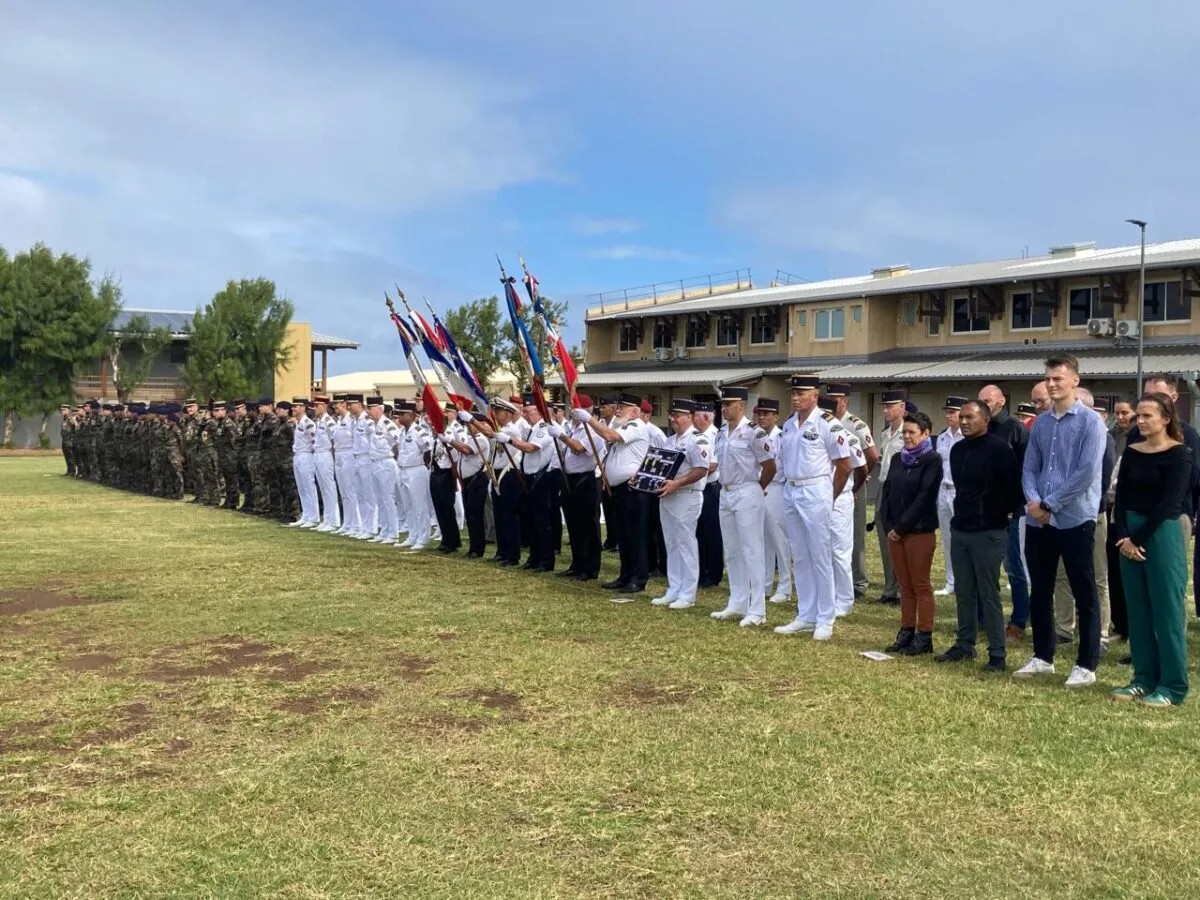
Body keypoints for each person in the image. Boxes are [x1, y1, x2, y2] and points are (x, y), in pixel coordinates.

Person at [1015, 355, 1107, 687]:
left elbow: (1086, 472)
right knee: (1040, 589)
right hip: (1040, 521)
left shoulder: (1091, 422)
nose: (1052, 384)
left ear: (1075, 381)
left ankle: (1086, 664)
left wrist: (1050, 504)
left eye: (1058, 378)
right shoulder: (1041, 423)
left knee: (1084, 591)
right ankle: (1043, 657)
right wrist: (1033, 502)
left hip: (1075, 518)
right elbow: (1030, 467)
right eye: (1048, 378)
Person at [1111, 392, 1193, 706]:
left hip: (1161, 533)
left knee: (1167, 611)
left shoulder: (1180, 454)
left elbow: (1170, 503)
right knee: (1138, 610)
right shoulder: (1132, 452)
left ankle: (1172, 685)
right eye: (1139, 416)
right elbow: (1121, 497)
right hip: (1129, 535)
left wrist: (1138, 539)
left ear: (1166, 419)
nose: (1141, 421)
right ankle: (1143, 679)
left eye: (1148, 416)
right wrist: (1123, 536)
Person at [934, 401, 1022, 671]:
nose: (964, 422)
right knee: (964, 591)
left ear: (985, 419)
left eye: (970, 417)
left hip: (988, 531)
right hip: (961, 528)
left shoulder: (1000, 449)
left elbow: (1013, 490)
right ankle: (964, 644)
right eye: (961, 417)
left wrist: (999, 515)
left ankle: (997, 653)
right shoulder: (958, 449)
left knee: (988, 593)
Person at [774, 375, 851, 640]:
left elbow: (844, 465)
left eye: (801, 393)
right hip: (792, 489)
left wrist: (830, 495)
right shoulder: (788, 424)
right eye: (793, 393)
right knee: (800, 555)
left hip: (816, 488)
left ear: (815, 396)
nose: (795, 398)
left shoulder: (827, 424)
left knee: (820, 555)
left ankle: (825, 617)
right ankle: (806, 614)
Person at [1124, 374, 1200, 617]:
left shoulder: (1188, 436)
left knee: (1168, 588)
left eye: (1159, 396)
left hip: (1172, 518)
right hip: (1136, 519)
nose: (1151, 401)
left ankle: (1170, 636)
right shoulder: (1135, 435)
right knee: (1141, 591)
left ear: (1174, 398)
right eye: (1147, 396)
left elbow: (1190, 482)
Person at [878, 410, 943, 655]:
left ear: (926, 434)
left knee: (920, 584)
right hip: (895, 532)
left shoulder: (932, 460)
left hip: (919, 531)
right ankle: (906, 631)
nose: (906, 436)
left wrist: (901, 526)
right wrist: (889, 526)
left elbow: (924, 497)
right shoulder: (898, 458)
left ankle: (924, 635)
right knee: (905, 585)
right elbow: (887, 492)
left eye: (912, 432)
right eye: (904, 432)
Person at [711, 387, 775, 627]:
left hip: (747, 489)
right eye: (723, 404)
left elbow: (770, 466)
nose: (724, 408)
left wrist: (758, 488)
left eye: (729, 404)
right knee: (732, 550)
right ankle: (738, 601)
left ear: (741, 405)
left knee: (752, 550)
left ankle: (757, 609)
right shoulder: (721, 432)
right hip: (726, 491)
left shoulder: (754, 433)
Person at [576, 394, 651, 592]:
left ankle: (638, 578)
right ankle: (625, 575)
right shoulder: (624, 427)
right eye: (618, 406)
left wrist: (589, 419)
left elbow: (609, 436)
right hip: (619, 488)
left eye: (623, 407)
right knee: (623, 534)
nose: (618, 410)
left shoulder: (636, 426)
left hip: (632, 489)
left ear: (634, 411)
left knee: (635, 534)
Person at [980, 384, 1031, 641]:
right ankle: (984, 618)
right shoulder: (979, 428)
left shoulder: (1015, 429)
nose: (984, 405)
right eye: (981, 401)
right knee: (984, 567)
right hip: (983, 509)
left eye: (988, 401)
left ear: (1001, 401)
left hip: (1010, 511)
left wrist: (1014, 505)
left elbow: (1025, 471)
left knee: (1013, 568)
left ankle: (1018, 621)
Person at [652, 399, 712, 611]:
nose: (672, 418)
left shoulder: (698, 440)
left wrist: (677, 483)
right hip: (667, 494)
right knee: (671, 542)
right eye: (671, 414)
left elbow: (701, 469)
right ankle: (674, 587)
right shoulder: (670, 440)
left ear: (690, 416)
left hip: (687, 495)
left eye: (677, 415)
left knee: (686, 543)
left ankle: (688, 593)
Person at [824, 383, 879, 601]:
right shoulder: (823, 422)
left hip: (852, 486)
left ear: (845, 401)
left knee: (854, 535)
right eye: (829, 399)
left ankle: (858, 581)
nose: (831, 403)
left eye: (835, 400)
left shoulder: (855, 425)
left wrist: (858, 482)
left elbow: (871, 456)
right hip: (830, 486)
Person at [818, 395, 867, 619]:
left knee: (839, 550)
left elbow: (861, 469)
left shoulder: (848, 437)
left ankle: (845, 599)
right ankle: (827, 595)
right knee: (822, 549)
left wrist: (852, 490)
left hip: (840, 498)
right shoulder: (815, 437)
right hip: (819, 496)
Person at [548, 394, 603, 580]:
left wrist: (561, 436)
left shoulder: (592, 430)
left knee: (588, 525)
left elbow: (580, 449)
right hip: (569, 478)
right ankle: (577, 564)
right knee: (573, 525)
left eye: (574, 408)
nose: (571, 411)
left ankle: (590, 568)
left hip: (585, 480)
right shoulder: (573, 429)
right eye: (570, 408)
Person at [755, 398, 791, 606]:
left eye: (766, 414)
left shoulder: (782, 437)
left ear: (776, 417)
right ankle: (766, 583)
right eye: (759, 413)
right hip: (757, 488)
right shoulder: (756, 435)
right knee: (763, 540)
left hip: (776, 488)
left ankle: (785, 586)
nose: (762, 417)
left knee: (779, 540)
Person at [1107, 396, 1137, 640]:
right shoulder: (1112, 435)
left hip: (1131, 510)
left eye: (1125, 413)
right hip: (1112, 508)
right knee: (1114, 572)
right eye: (1116, 413)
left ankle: (1132, 626)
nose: (1120, 418)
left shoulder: (1137, 437)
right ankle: (1120, 624)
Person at [873, 390, 907, 604]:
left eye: (890, 406)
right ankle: (890, 588)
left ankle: (903, 589)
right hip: (882, 487)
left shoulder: (908, 433)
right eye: (884, 407)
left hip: (900, 489)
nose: (886, 410)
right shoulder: (885, 434)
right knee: (884, 540)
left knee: (900, 539)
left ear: (902, 407)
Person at [934, 397, 965, 597]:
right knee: (948, 539)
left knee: (963, 538)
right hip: (943, 490)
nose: (948, 416)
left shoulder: (966, 437)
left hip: (959, 491)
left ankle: (964, 581)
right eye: (947, 412)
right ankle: (951, 582)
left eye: (952, 412)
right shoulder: (942, 438)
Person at [693, 401, 723, 588]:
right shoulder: (695, 436)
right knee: (698, 531)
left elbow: (711, 465)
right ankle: (700, 570)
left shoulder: (716, 436)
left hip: (710, 488)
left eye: (695, 415)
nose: (692, 419)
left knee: (712, 532)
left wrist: (690, 472)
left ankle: (713, 574)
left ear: (705, 417)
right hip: (696, 487)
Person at [310, 396, 341, 532]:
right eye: (314, 406)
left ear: (324, 406)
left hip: (325, 454)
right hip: (317, 453)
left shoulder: (329, 421)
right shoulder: (318, 421)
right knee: (323, 488)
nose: (315, 409)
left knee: (329, 488)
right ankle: (327, 519)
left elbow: (336, 437)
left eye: (317, 406)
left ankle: (334, 520)